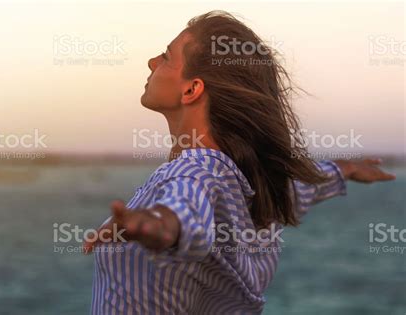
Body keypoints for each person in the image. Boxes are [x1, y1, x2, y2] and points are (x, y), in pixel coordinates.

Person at [84, 11, 396, 314]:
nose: (152, 62)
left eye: (166, 57)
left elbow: (187, 210)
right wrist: (345, 170)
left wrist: (158, 225)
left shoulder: (194, 172)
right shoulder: (247, 182)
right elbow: (293, 191)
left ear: (192, 89)